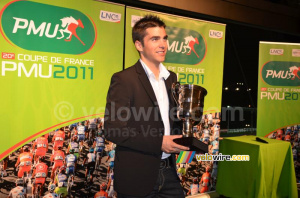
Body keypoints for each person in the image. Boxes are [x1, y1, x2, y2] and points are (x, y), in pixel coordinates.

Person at [104, 15, 188, 197]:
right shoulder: (124, 79)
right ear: (139, 45)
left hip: (169, 171)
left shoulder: (171, 78)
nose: (163, 44)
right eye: (155, 39)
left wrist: (187, 128)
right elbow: (114, 130)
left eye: (165, 38)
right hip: (137, 176)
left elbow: (169, 121)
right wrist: (160, 143)